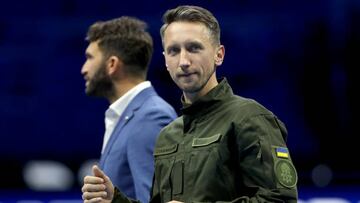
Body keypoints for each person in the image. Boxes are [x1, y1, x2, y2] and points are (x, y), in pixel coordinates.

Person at [81, 6, 298, 203]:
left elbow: (282, 201)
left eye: (194, 48)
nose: (184, 62)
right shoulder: (169, 134)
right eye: (174, 51)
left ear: (218, 54)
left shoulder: (250, 118)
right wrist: (114, 201)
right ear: (165, 60)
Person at [80, 16, 177, 203]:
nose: (84, 69)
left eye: (90, 58)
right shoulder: (129, 116)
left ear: (112, 64)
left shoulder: (150, 117)